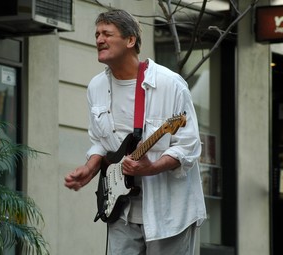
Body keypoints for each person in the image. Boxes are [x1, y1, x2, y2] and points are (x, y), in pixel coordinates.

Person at [64, 9, 206, 255]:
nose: (99, 40)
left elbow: (188, 147)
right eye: (97, 34)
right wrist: (90, 168)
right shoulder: (96, 87)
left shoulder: (169, 84)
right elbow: (100, 141)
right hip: (120, 210)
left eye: (107, 34)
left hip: (169, 214)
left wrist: (152, 167)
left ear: (130, 40)